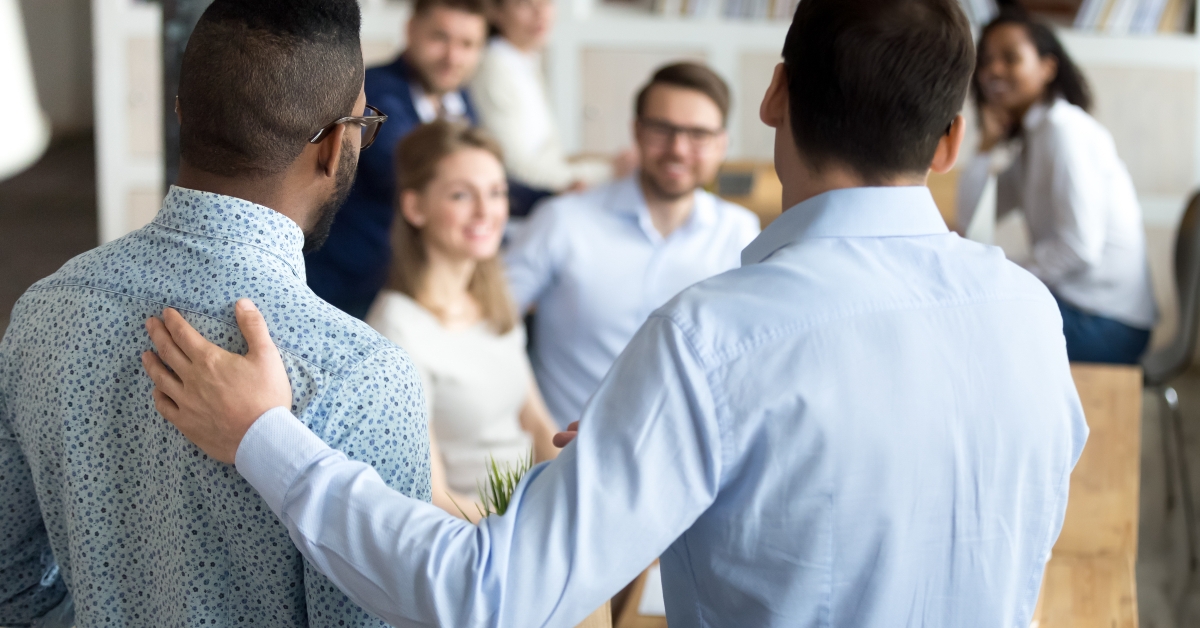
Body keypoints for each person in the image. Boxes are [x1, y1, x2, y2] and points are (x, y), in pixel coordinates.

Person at [143, 0, 1089, 625]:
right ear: (952, 138)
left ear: (772, 95)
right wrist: (690, 467)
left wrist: (265, 433)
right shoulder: (1029, 314)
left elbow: (485, 596)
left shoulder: (715, 339)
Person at [0, 1, 431, 626]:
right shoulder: (360, 377)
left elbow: (13, 590)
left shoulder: (42, 312)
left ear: (182, 113)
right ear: (337, 145)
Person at [506, 62, 760, 428]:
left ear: (722, 144)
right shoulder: (563, 221)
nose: (678, 148)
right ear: (637, 131)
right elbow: (487, 327)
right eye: (663, 129)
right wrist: (536, 429)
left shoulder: (740, 233)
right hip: (568, 457)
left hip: (693, 460)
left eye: (698, 135)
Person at [366, 120, 559, 522]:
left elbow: (538, 425)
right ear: (415, 207)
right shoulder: (398, 329)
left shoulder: (494, 300)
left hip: (531, 514)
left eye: (496, 193)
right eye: (460, 195)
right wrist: (529, 530)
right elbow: (433, 497)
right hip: (477, 541)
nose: (486, 212)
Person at [956, 8, 1158, 364]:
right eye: (986, 61)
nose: (993, 71)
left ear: (1048, 68)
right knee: (970, 320)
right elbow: (971, 219)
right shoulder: (1036, 139)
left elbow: (1079, 247)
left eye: (1010, 58)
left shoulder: (1065, 132)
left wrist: (1003, 273)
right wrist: (987, 144)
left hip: (1109, 323)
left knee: (973, 331)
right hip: (1080, 307)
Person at [306, 0, 488, 319]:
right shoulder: (373, 95)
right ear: (411, 29)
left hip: (410, 285)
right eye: (440, 38)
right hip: (348, 291)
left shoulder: (461, 101)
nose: (453, 57)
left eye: (467, 44)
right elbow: (426, 176)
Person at [469, 0, 635, 214]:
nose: (541, 14)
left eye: (546, 3)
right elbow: (515, 167)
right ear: (496, 11)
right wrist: (607, 171)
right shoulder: (494, 68)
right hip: (522, 204)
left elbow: (549, 155)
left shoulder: (525, 61)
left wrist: (609, 163)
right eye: (525, 5)